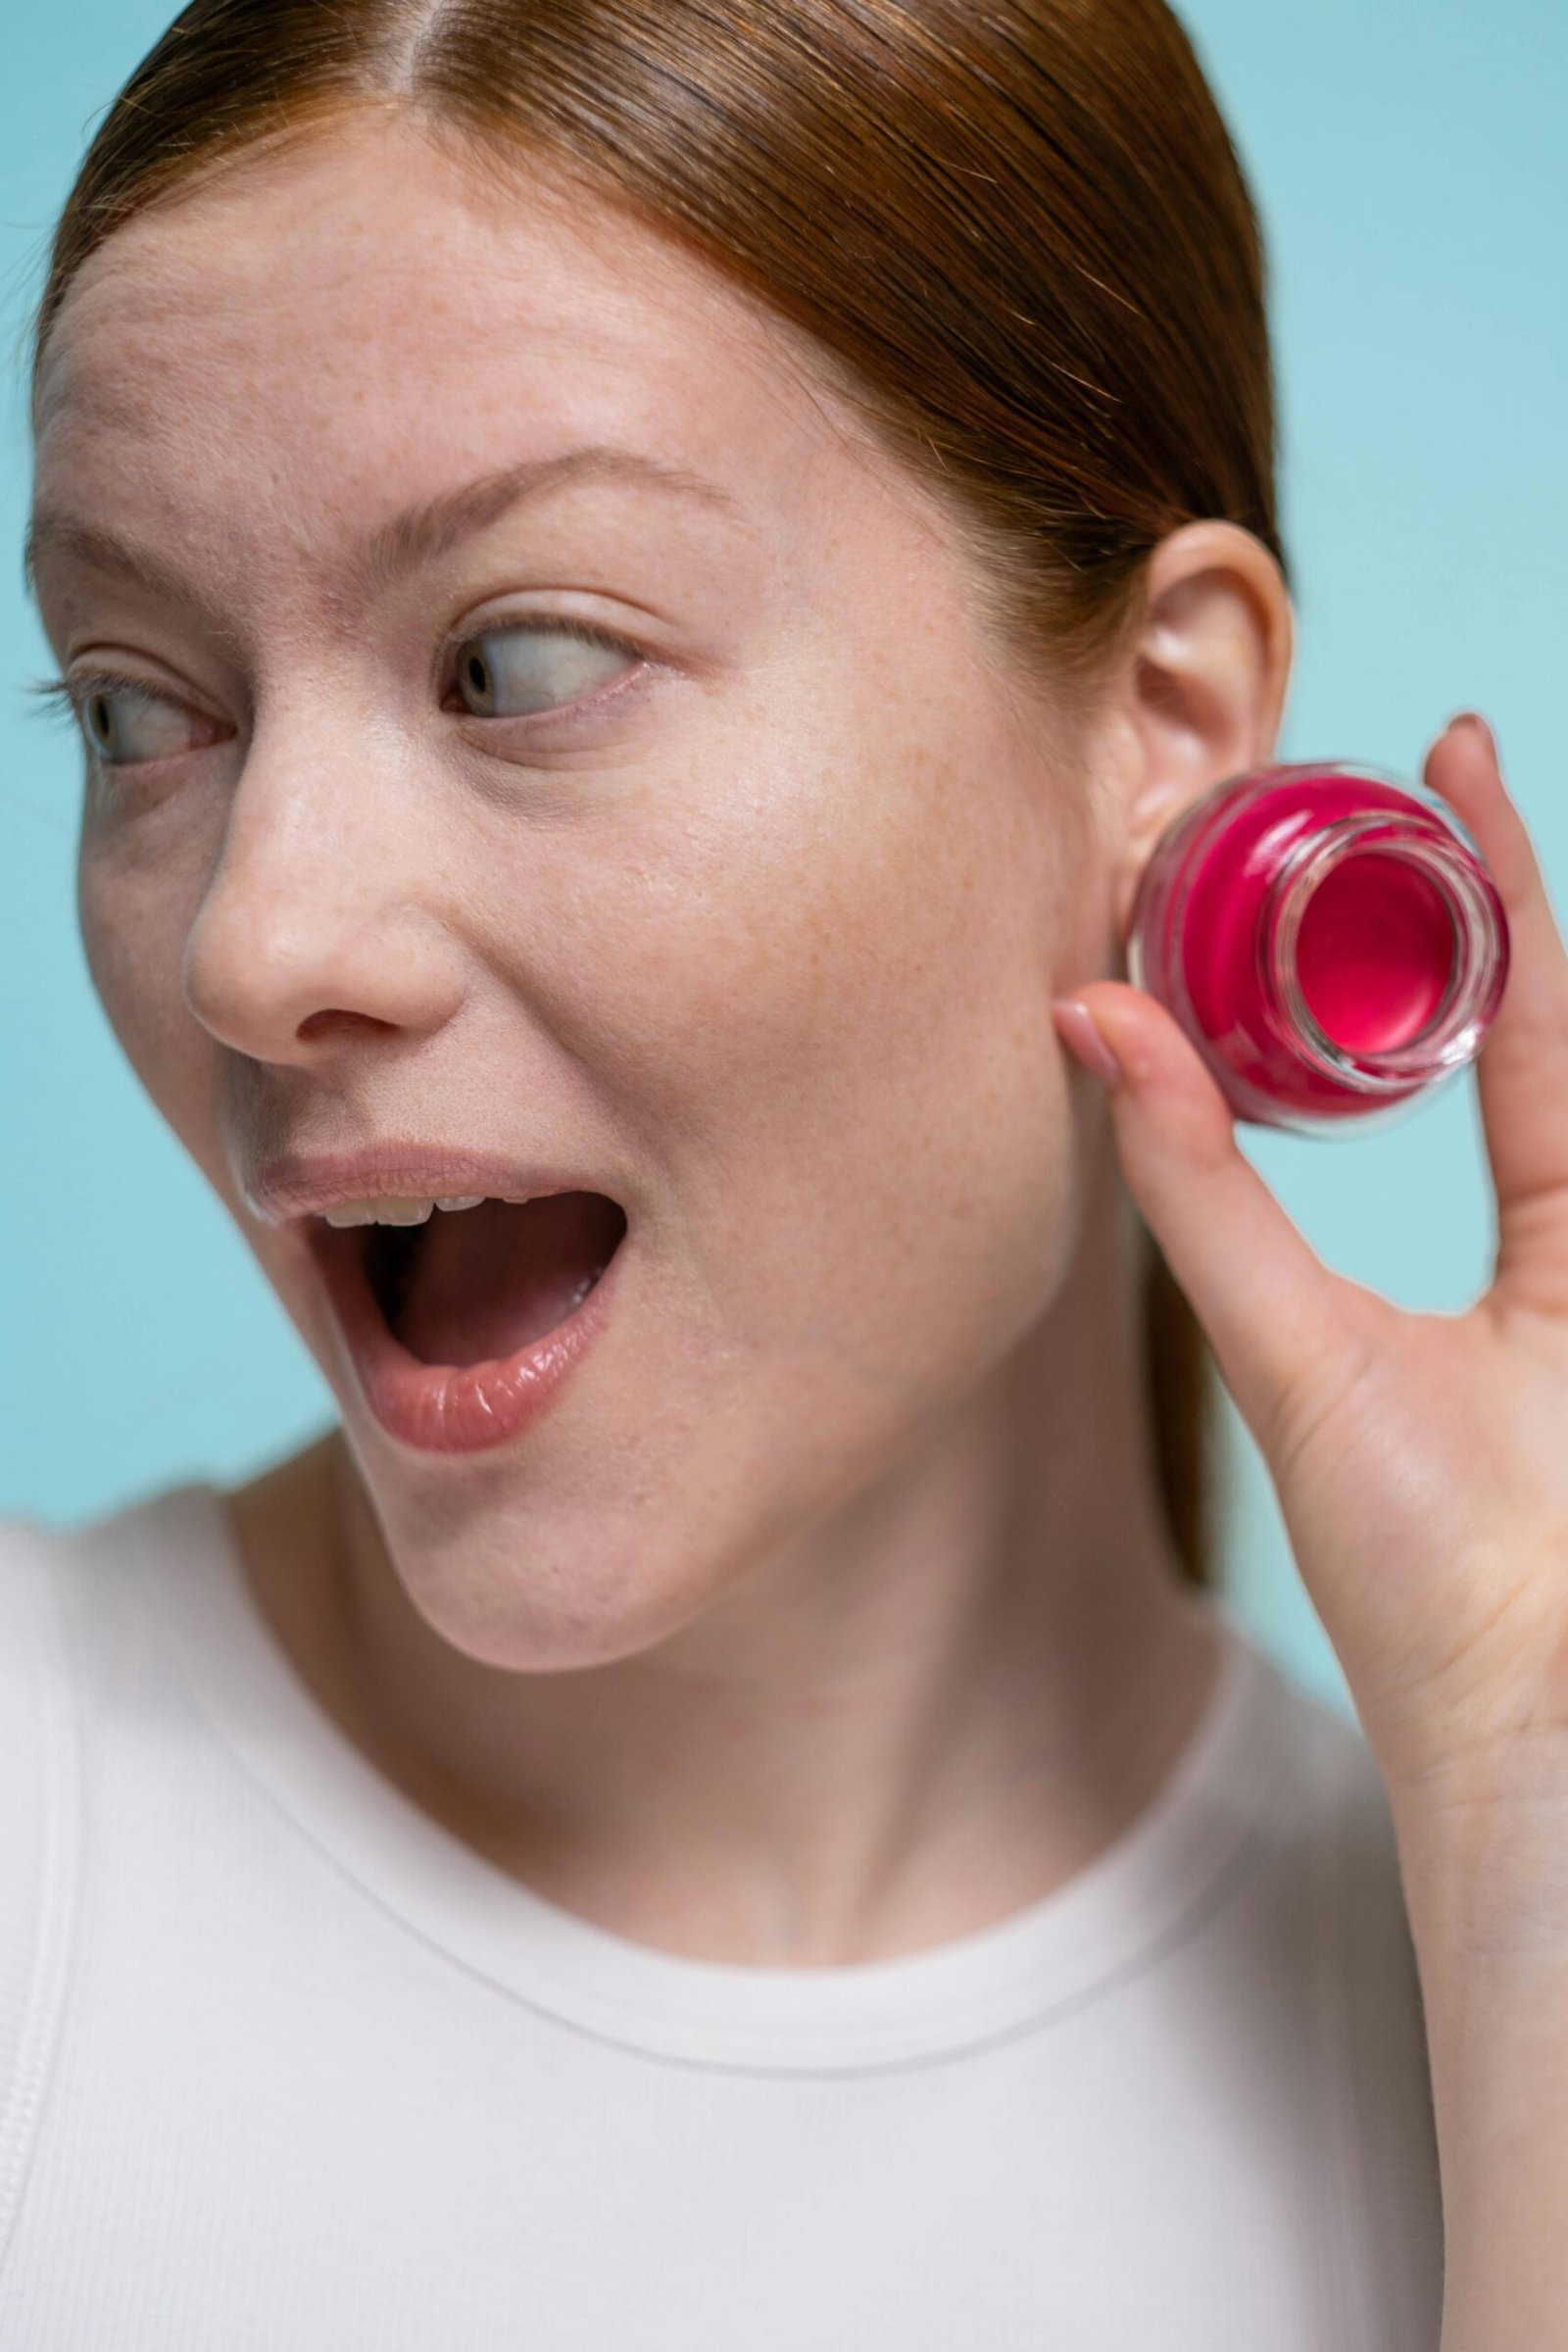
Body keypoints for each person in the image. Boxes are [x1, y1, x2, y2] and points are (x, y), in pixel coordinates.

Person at [22, 0, 1568, 2339]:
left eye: (520, 661)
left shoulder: (1466, 2000)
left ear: (1158, 728)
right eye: (138, 707)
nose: (253, 944)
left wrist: (1532, 1781)